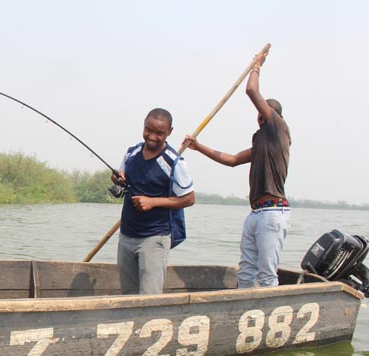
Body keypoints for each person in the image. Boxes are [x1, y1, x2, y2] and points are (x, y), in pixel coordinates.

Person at [183, 48, 291, 288]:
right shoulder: (262, 141)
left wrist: (257, 65)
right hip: (256, 213)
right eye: (260, 116)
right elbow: (231, 159)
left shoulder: (279, 130)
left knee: (266, 275)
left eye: (266, 114)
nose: (262, 118)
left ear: (276, 116)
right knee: (246, 271)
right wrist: (198, 146)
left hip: (273, 212)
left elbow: (251, 90)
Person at [113, 108, 195, 295]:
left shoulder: (173, 161)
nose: (152, 137)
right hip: (126, 235)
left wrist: (153, 202)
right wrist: (117, 179)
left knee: (150, 298)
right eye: (148, 130)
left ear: (169, 132)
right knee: (128, 296)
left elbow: (189, 198)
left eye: (159, 133)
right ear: (143, 125)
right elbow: (121, 176)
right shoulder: (131, 153)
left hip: (154, 238)